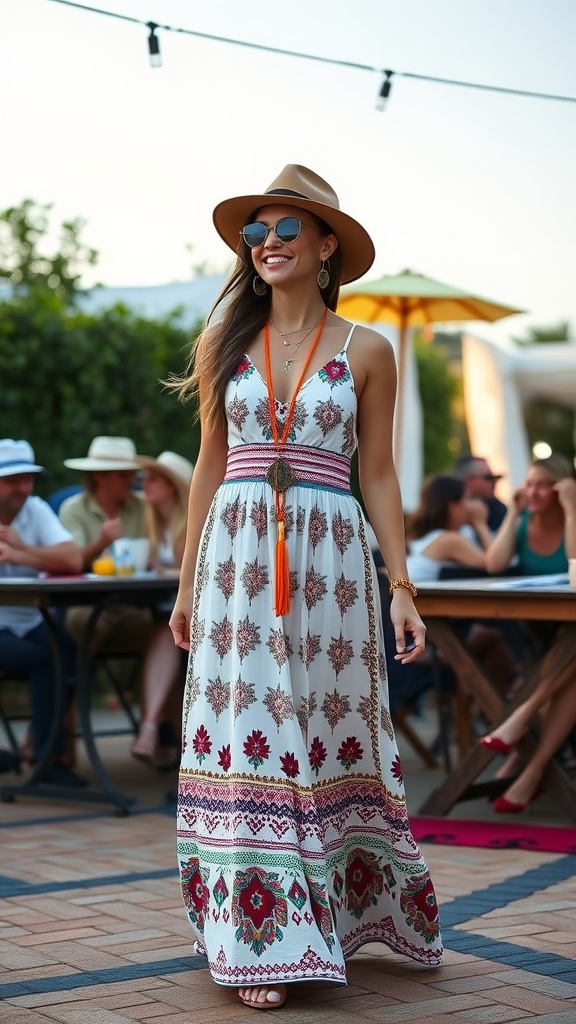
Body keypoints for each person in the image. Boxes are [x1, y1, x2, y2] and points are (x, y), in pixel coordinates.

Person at [169, 164, 442, 1011]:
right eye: (257, 231)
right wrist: (184, 589)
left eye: (288, 228)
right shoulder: (225, 344)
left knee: (323, 730)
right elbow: (210, 467)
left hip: (331, 567)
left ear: (327, 246)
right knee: (251, 726)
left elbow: (385, 476)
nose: (270, 242)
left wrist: (402, 584)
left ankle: (343, 914)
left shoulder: (369, 349)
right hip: (236, 563)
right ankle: (260, 938)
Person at [480, 454, 576, 812]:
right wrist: (512, 514)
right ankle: (529, 767)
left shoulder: (573, 519)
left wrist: (571, 508)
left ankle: (527, 754)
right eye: (529, 483)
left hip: (563, 632)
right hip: (543, 636)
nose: (532, 492)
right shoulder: (522, 524)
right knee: (569, 663)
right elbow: (494, 563)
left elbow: (575, 563)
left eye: (542, 485)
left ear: (561, 488)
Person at [0, 439, 85, 787]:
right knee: (45, 659)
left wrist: (21, 552)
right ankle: (47, 758)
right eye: (13, 480)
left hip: (30, 620)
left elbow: (72, 559)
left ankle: (45, 749)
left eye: (28, 479)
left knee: (69, 649)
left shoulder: (34, 509)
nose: (23, 488)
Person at [406, 474, 520, 697]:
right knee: (493, 635)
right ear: (452, 505)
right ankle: (503, 702)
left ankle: (498, 702)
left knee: (490, 636)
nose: (476, 505)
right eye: (469, 499)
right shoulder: (449, 540)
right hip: (423, 639)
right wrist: (480, 523)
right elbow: (493, 563)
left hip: (416, 628)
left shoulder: (428, 537)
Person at [59, 436, 152, 653]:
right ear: (99, 476)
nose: (131, 481)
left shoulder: (142, 507)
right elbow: (72, 562)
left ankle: (130, 686)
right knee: (82, 620)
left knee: (158, 627)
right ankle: (84, 681)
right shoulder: (73, 509)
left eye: (132, 474)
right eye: (123, 475)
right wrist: (101, 542)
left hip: (131, 603)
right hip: (87, 602)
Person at [130, 451, 194, 767]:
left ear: (172, 486)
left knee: (166, 636)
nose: (146, 484)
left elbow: (194, 570)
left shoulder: (189, 525)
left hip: (189, 617)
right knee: (162, 635)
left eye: (153, 479)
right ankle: (162, 735)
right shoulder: (154, 524)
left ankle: (152, 729)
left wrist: (162, 571)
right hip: (163, 614)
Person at [454, 454, 507, 534]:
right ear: (468, 480)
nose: (493, 482)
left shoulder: (499, 510)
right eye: (488, 478)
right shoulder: (452, 510)